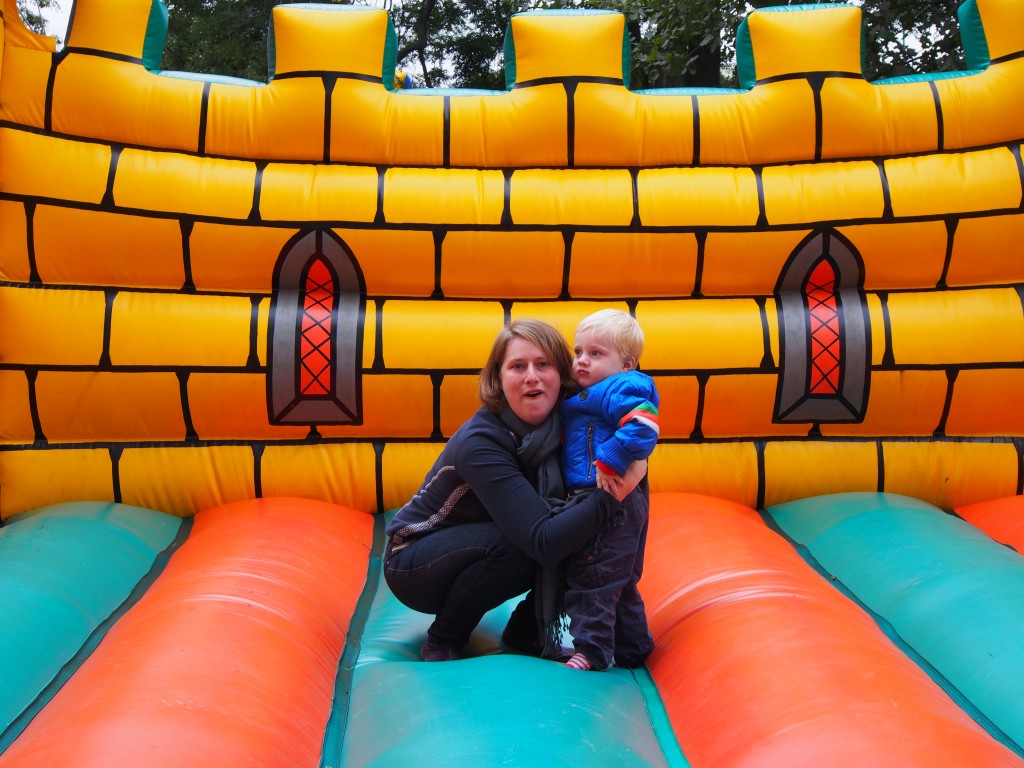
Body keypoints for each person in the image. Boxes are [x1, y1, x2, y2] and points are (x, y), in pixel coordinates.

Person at [383, 318, 647, 662]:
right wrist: (612, 494)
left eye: (543, 365)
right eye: (517, 366)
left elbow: (631, 413)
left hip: (493, 539)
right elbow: (543, 539)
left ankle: (526, 628)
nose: (531, 377)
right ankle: (445, 639)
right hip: (415, 561)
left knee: (589, 508)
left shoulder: (570, 420)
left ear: (561, 375)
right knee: (530, 537)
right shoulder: (481, 442)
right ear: (499, 378)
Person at [559, 309, 660, 671]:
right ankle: (634, 648)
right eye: (578, 351)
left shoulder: (622, 386)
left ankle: (593, 650)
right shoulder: (588, 393)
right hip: (612, 499)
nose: (583, 361)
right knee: (621, 578)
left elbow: (644, 425)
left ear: (626, 364)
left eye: (596, 354)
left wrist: (612, 457)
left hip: (613, 498)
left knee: (595, 574)